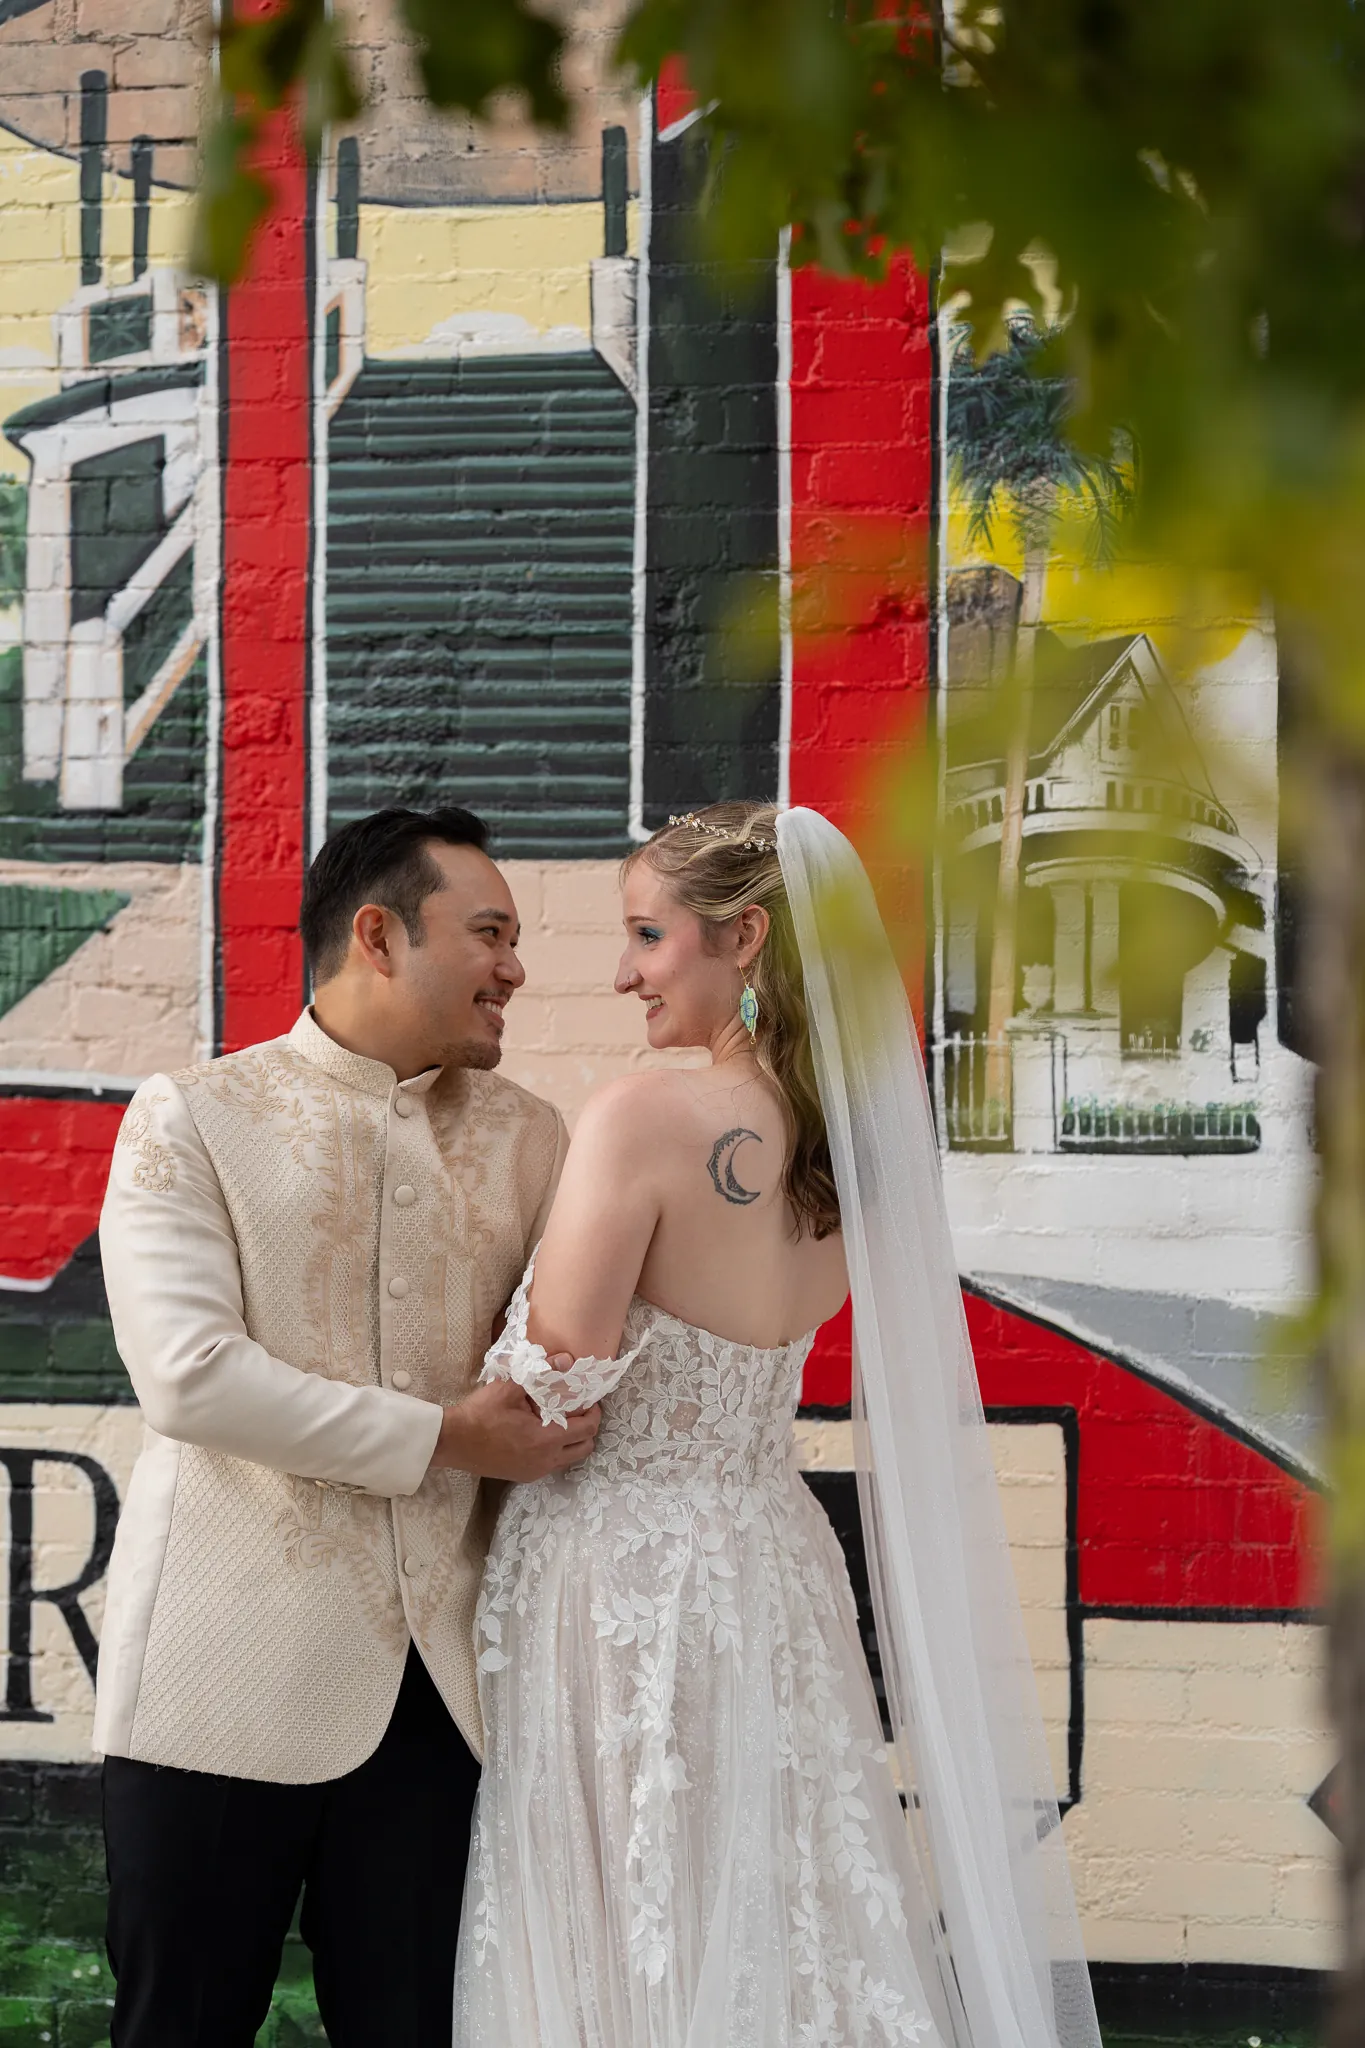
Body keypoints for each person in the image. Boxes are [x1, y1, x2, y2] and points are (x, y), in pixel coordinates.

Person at [453, 802, 1102, 2048]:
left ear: (742, 935)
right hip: (772, 1560)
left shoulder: (642, 1116)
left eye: (649, 934)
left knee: (635, 1899)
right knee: (778, 1898)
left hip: (621, 1567)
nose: (626, 969)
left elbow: (556, 1376)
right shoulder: (854, 1148)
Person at [95, 804, 602, 2048]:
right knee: (180, 2026)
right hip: (214, 1684)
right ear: (377, 934)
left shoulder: (536, 1140)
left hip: (442, 1700)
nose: (516, 968)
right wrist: (450, 1435)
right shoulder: (192, 1116)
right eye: (489, 932)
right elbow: (190, 1377)